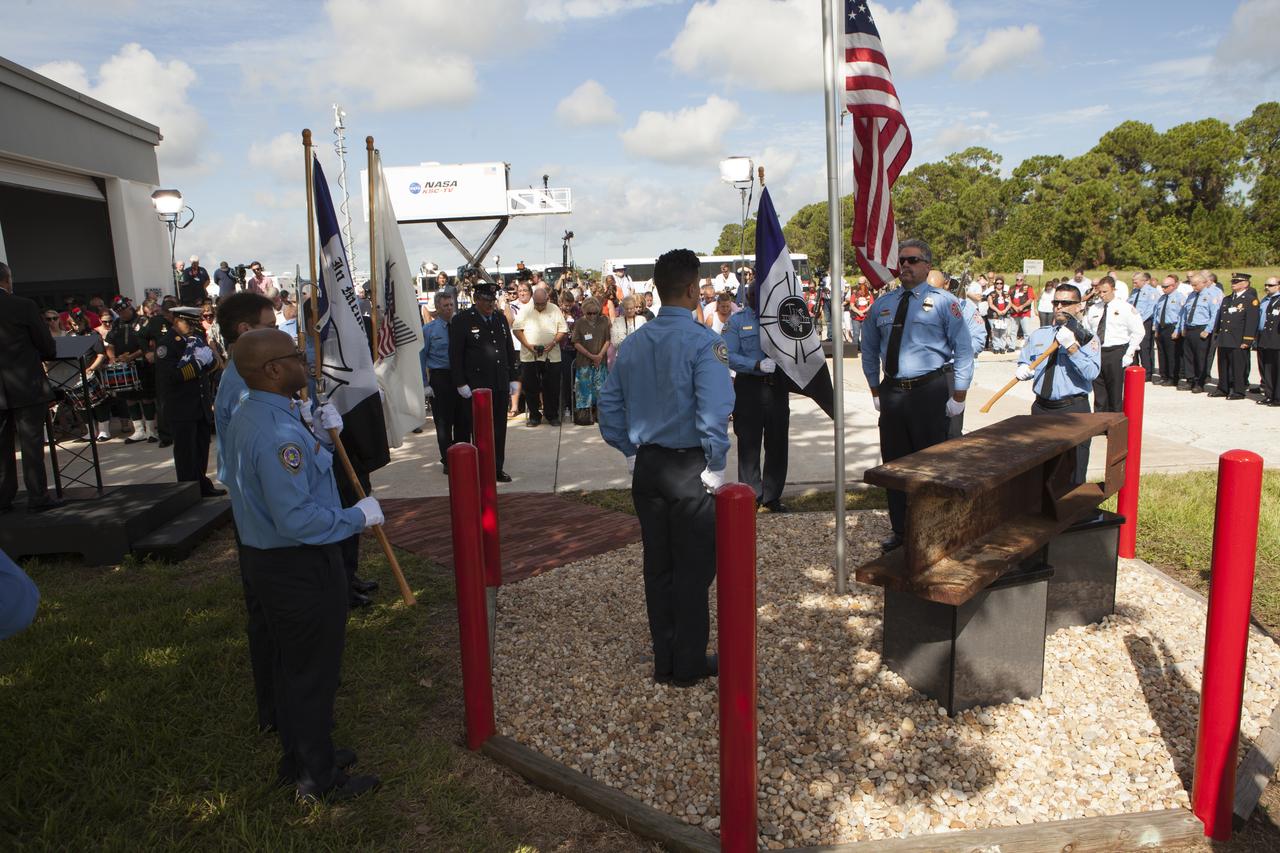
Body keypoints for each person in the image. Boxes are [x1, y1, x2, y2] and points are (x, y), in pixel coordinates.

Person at [223, 328, 381, 802]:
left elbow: (304, 478)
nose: (304, 361)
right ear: (272, 371)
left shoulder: (256, 414)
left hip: (273, 561)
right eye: (294, 356)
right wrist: (356, 516)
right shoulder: (273, 433)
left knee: (294, 667)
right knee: (312, 672)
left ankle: (302, 755)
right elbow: (297, 518)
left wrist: (320, 439)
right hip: (297, 564)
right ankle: (317, 779)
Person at [597, 248, 733, 688]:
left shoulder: (633, 343)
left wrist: (629, 449)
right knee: (693, 569)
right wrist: (716, 464)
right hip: (690, 466)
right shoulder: (703, 342)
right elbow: (714, 412)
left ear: (656, 288)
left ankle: (666, 659)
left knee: (659, 567)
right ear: (694, 289)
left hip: (649, 466)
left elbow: (609, 405)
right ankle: (687, 663)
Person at [861, 239, 973, 552]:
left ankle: (934, 531)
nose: (906, 267)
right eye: (902, 262)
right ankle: (901, 531)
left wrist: (959, 395)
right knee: (894, 466)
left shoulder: (943, 302)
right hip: (893, 393)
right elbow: (868, 349)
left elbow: (963, 351)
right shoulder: (883, 304)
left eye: (912, 260)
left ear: (927, 265)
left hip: (929, 392)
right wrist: (874, 389)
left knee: (931, 465)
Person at [212, 291, 279, 734]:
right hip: (264, 520)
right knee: (272, 620)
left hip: (261, 513)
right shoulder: (243, 385)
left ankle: (281, 704)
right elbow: (264, 456)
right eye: (270, 326)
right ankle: (278, 709)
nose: (278, 335)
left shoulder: (241, 375)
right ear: (245, 331)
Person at [1012, 282, 1100, 485]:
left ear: (1079, 306)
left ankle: (1074, 509)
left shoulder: (1087, 338)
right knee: (1040, 468)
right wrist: (1024, 368)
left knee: (1073, 468)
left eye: (1066, 302)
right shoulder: (1040, 334)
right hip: (1042, 407)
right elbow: (1026, 359)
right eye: (1056, 302)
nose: (1059, 306)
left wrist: (1072, 349)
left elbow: (1091, 372)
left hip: (1073, 409)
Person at [0, 262, 61, 513]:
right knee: (32, 444)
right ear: (7, 279)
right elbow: (47, 345)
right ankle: (37, 496)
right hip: (26, 385)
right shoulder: (23, 306)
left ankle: (3, 498)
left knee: (1, 448)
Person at [723, 285, 788, 513]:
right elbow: (727, 355)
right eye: (752, 296)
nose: (755, 300)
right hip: (749, 387)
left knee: (777, 443)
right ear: (747, 297)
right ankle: (752, 495)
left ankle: (772, 496)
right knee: (749, 444)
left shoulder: (780, 318)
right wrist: (755, 365)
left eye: (759, 296)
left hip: (776, 387)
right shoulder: (737, 321)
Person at [450, 280, 519, 481]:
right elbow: (455, 355)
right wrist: (460, 382)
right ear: (476, 299)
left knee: (499, 428)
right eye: (486, 300)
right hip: (476, 385)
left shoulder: (499, 318)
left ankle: (496, 467)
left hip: (498, 382)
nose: (490, 305)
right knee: (477, 429)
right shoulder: (462, 320)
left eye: (493, 300)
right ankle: (478, 468)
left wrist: (512, 377)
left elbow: (507, 348)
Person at [154, 305, 223, 496]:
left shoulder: (195, 339)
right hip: (181, 406)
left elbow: (210, 368)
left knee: (201, 449)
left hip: (199, 404)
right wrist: (197, 363)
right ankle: (188, 491)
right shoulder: (167, 345)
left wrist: (210, 360)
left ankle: (203, 486)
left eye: (194, 323)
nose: (193, 327)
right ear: (177, 321)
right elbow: (171, 377)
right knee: (186, 453)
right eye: (188, 323)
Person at [1084, 276, 1143, 413]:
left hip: (1116, 351)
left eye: (1105, 292)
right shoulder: (1094, 309)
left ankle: (1115, 423)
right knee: (1099, 391)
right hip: (1098, 352)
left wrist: (1130, 352)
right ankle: (1100, 421)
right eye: (1099, 292)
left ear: (1113, 289)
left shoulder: (1125, 308)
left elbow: (1138, 332)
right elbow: (1087, 330)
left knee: (1115, 391)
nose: (1102, 295)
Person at [511, 284, 567, 427]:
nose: (540, 306)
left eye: (542, 303)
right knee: (531, 387)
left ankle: (552, 415)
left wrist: (553, 342)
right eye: (537, 303)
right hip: (530, 356)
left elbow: (563, 330)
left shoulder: (554, 309)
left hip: (552, 356)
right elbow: (517, 330)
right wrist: (528, 345)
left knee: (552, 387)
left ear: (547, 299)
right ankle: (535, 416)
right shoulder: (526, 309)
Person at [422, 291, 465, 470]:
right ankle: (447, 459)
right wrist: (424, 384)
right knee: (443, 422)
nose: (449, 309)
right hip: (441, 378)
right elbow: (421, 358)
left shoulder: (461, 326)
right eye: (445, 306)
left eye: (451, 305)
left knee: (463, 420)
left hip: (461, 378)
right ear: (437, 308)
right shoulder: (429, 330)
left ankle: (462, 456)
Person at [1211, 273, 1260, 400]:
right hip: (1225, 338)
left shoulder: (1250, 300)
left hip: (1238, 339)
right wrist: (1217, 334)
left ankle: (1239, 391)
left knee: (1238, 367)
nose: (1233, 283)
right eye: (1233, 281)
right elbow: (1220, 318)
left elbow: (1251, 321)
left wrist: (1247, 340)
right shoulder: (1227, 299)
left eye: (1237, 281)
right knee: (1223, 364)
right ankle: (1223, 388)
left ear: (1245, 284)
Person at [1174, 272, 1222, 393]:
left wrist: (1208, 330)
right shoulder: (1191, 295)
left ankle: (1199, 382)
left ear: (1204, 283)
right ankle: (1190, 380)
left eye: (1196, 285)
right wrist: (1183, 327)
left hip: (1202, 328)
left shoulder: (1211, 295)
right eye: (1192, 285)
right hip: (1190, 328)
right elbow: (1185, 312)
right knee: (1188, 356)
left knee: (1200, 357)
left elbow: (1214, 315)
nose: (1193, 287)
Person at [571, 297, 610, 425]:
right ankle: (584, 415)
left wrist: (599, 356)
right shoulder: (579, 323)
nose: (592, 316)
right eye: (589, 313)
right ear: (584, 311)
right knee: (583, 388)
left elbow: (608, 340)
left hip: (601, 361)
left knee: (600, 389)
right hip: (584, 362)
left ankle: (599, 414)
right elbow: (576, 342)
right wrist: (591, 356)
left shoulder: (604, 321)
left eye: (595, 313)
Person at [1153, 275, 1185, 386]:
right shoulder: (1162, 298)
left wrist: (1177, 330)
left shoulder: (1179, 298)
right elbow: (1157, 313)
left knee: (1172, 354)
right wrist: (1155, 327)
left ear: (1173, 286)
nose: (1163, 289)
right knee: (1162, 353)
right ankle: (1164, 375)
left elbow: (1182, 315)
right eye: (1162, 286)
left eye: (1166, 286)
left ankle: (1173, 377)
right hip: (1162, 327)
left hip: (1172, 327)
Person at [1127, 273, 1158, 380]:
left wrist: (1138, 321)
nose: (1134, 283)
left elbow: (1151, 309)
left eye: (1136, 281)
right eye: (1133, 281)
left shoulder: (1152, 292)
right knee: (1133, 345)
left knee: (1144, 348)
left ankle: (1147, 372)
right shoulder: (1134, 291)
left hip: (1144, 322)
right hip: (1132, 323)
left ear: (1144, 281)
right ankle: (1134, 368)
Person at [1256, 277, 1280, 406]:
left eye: (1270, 285)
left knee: (1277, 369)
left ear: (1278, 286)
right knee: (1267, 369)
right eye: (1266, 285)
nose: (1267, 287)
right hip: (1264, 337)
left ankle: (1278, 397)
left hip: (1276, 338)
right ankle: (1269, 395)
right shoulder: (1265, 299)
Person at [609, 295, 647, 364]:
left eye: (631, 308)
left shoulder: (642, 319)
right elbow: (615, 342)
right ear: (623, 308)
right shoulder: (617, 321)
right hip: (622, 356)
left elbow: (644, 338)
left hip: (638, 356)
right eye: (627, 308)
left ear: (634, 307)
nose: (629, 310)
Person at [1010, 274, 1036, 340]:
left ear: (1023, 280)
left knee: (1026, 332)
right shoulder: (1012, 288)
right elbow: (1008, 299)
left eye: (1021, 279)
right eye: (1017, 279)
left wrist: (1022, 306)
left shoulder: (1028, 287)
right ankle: (1011, 346)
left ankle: (1027, 347)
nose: (1019, 281)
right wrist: (1014, 307)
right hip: (1014, 312)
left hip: (1025, 312)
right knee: (1013, 331)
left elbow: (1030, 299)